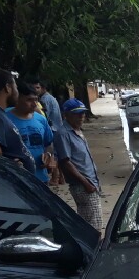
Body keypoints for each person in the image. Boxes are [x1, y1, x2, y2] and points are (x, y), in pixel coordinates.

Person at [54, 98, 102, 231]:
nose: (81, 116)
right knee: (94, 225)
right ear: (66, 115)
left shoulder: (78, 131)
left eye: (83, 113)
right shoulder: (64, 134)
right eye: (77, 113)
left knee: (86, 221)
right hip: (83, 185)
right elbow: (66, 162)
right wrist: (86, 183)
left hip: (91, 182)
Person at [7, 81, 55, 182]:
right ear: (17, 98)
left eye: (36, 100)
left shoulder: (41, 119)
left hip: (41, 178)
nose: (34, 104)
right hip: (16, 180)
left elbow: (48, 143)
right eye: (29, 100)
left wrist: (48, 155)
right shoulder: (4, 118)